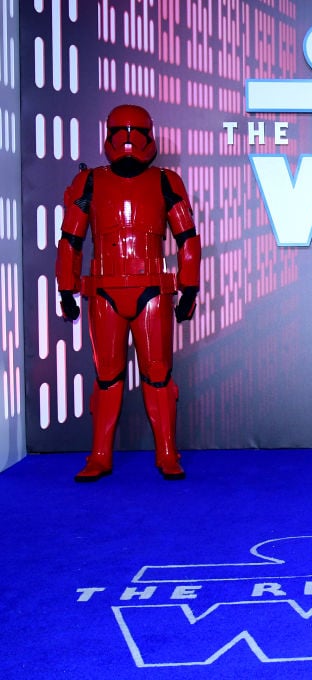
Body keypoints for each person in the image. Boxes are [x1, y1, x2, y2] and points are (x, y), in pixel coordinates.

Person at [56, 104, 201, 481]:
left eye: (136, 131)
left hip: (151, 292)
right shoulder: (89, 183)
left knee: (157, 375)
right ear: (109, 134)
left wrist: (189, 286)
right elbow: (70, 239)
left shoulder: (166, 181)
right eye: (121, 130)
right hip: (106, 292)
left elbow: (187, 238)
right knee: (107, 375)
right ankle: (100, 454)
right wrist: (66, 288)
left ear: (149, 135)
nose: (128, 140)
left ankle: (167, 453)